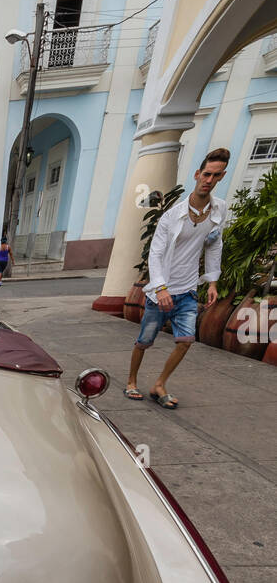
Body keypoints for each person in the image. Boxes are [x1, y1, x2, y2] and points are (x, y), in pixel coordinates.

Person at [125, 148, 229, 408]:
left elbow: (214, 245)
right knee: (144, 341)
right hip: (160, 291)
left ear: (221, 177)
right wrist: (160, 288)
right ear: (197, 174)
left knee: (185, 341)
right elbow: (155, 253)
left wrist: (212, 281)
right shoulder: (172, 216)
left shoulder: (219, 210)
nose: (209, 180)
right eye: (206, 174)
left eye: (215, 175)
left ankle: (159, 384)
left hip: (187, 291)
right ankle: (131, 381)